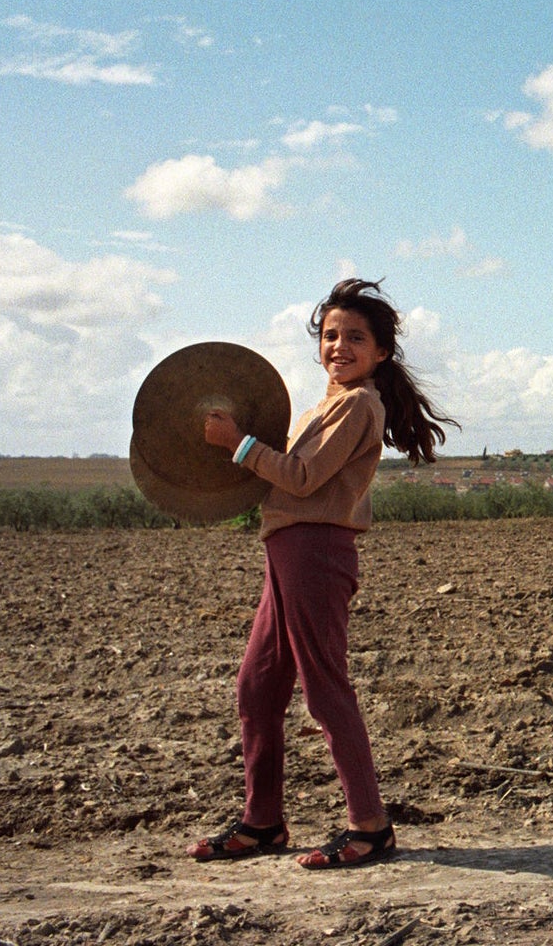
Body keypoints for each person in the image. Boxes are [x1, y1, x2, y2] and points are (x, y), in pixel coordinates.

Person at [186, 279, 455, 869]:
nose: (339, 346)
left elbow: (302, 478)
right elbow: (282, 470)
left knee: (325, 690)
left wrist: (238, 444)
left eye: (355, 337)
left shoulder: (359, 405)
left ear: (381, 351)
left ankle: (370, 827)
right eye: (331, 335)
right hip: (287, 551)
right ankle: (263, 823)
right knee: (257, 688)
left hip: (317, 551)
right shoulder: (323, 408)